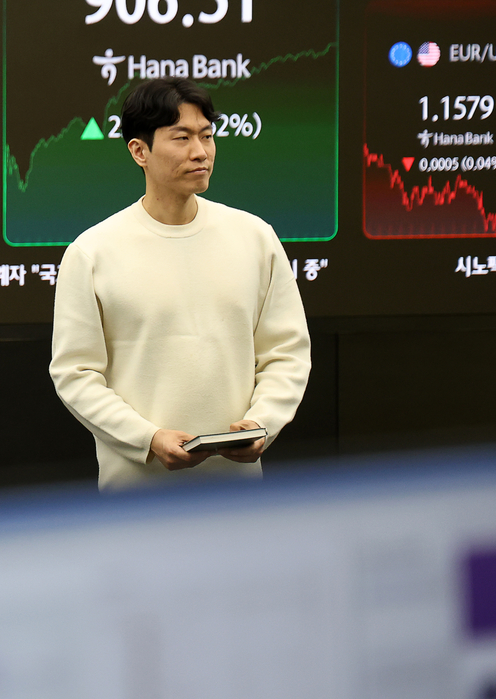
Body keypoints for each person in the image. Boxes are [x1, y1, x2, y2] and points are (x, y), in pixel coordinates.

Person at [49, 78, 310, 490]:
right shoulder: (92, 252)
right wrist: (148, 439)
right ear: (139, 151)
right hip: (136, 497)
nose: (201, 152)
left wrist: (262, 424)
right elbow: (75, 374)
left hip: (237, 497)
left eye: (207, 136)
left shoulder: (255, 237)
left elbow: (287, 353)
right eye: (182, 137)